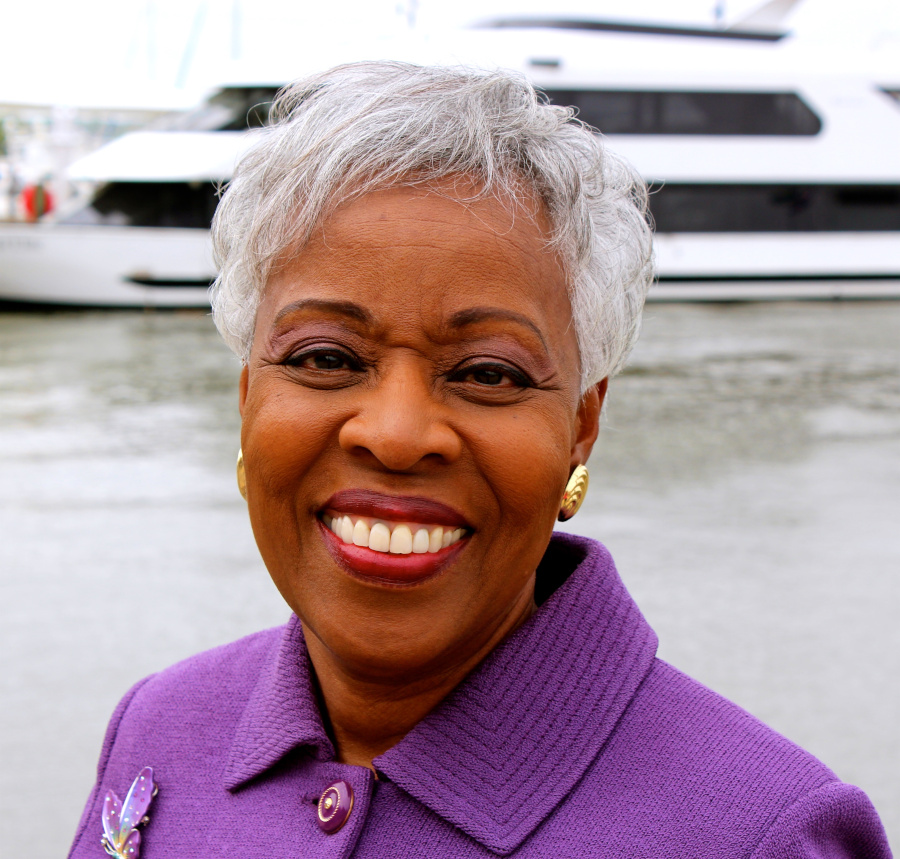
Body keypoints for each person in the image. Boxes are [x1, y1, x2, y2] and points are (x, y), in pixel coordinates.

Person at [68, 62, 891, 859]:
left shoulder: (761, 833)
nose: (396, 434)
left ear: (582, 425)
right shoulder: (161, 727)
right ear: (248, 399)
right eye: (325, 358)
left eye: (488, 373)